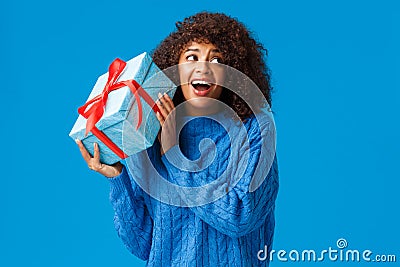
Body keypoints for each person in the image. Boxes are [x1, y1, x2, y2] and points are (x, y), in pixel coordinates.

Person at [76, 12, 279, 267]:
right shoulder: (150, 133)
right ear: (175, 67)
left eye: (216, 59)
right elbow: (143, 244)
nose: (202, 67)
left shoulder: (254, 130)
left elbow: (240, 216)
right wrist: (118, 179)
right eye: (191, 57)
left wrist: (174, 153)